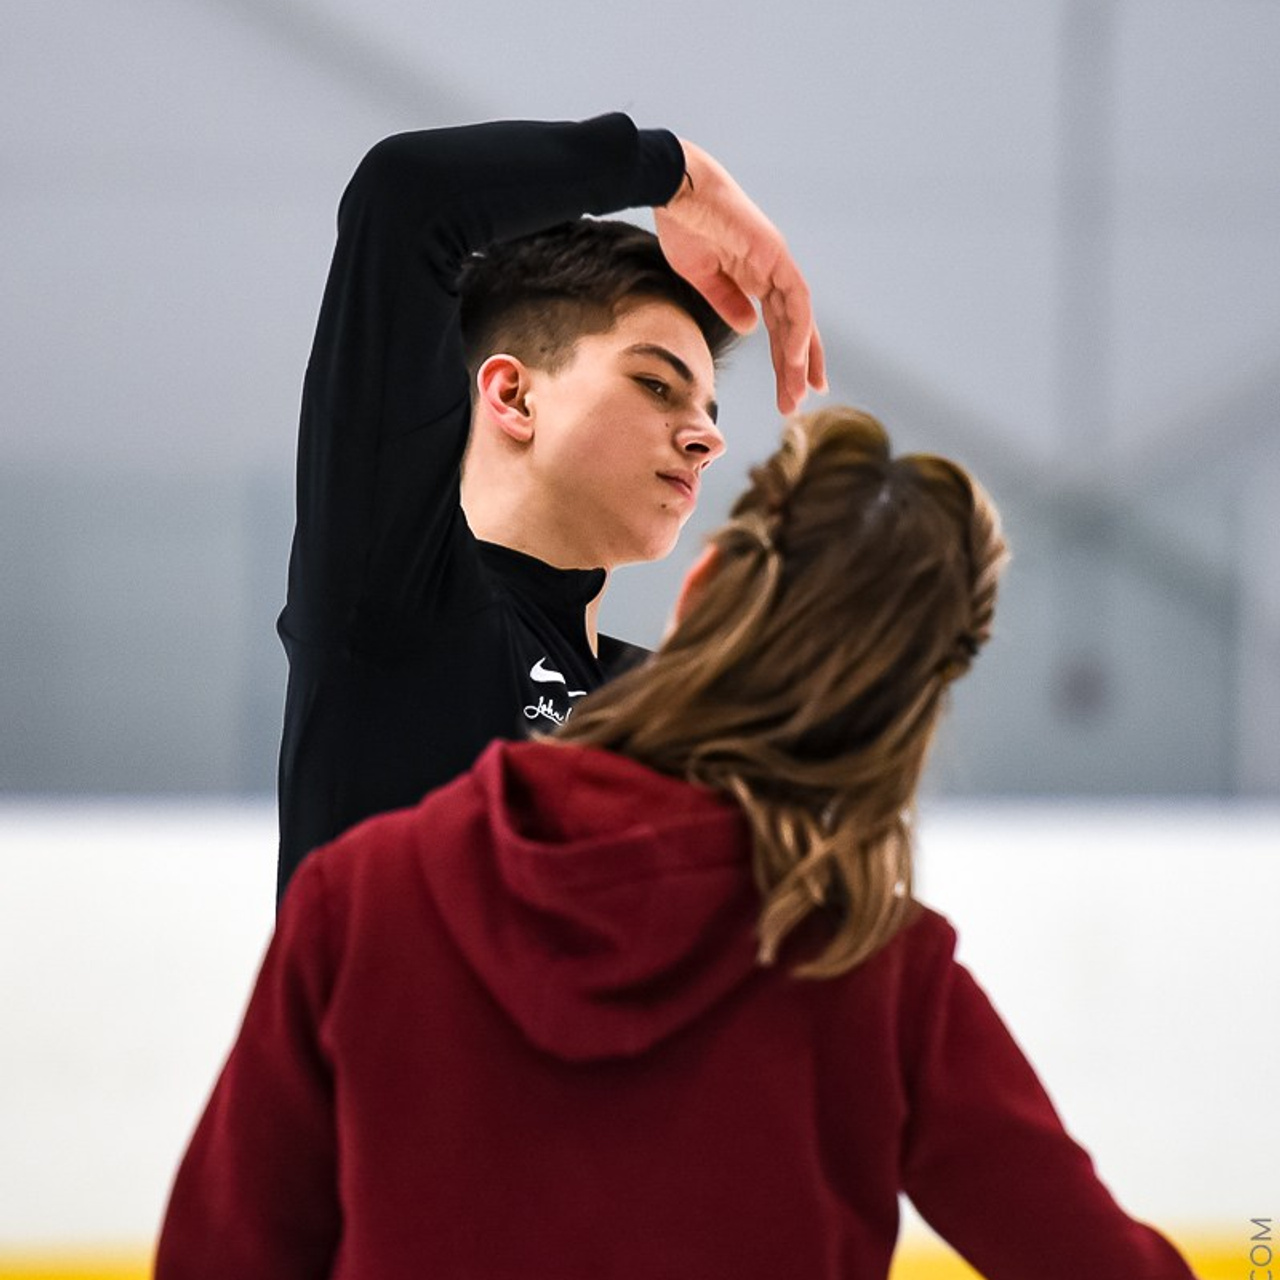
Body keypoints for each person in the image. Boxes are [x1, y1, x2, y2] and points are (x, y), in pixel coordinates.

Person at [157, 406, 1199, 1279]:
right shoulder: (874, 969)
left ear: (700, 590)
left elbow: (218, 1259)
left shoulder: (364, 892)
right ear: (914, 706)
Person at [274, 113, 826, 901]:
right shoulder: (393, 603)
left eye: (710, 411)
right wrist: (675, 172)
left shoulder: (673, 714)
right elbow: (407, 198)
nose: (707, 438)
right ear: (512, 394)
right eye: (656, 385)